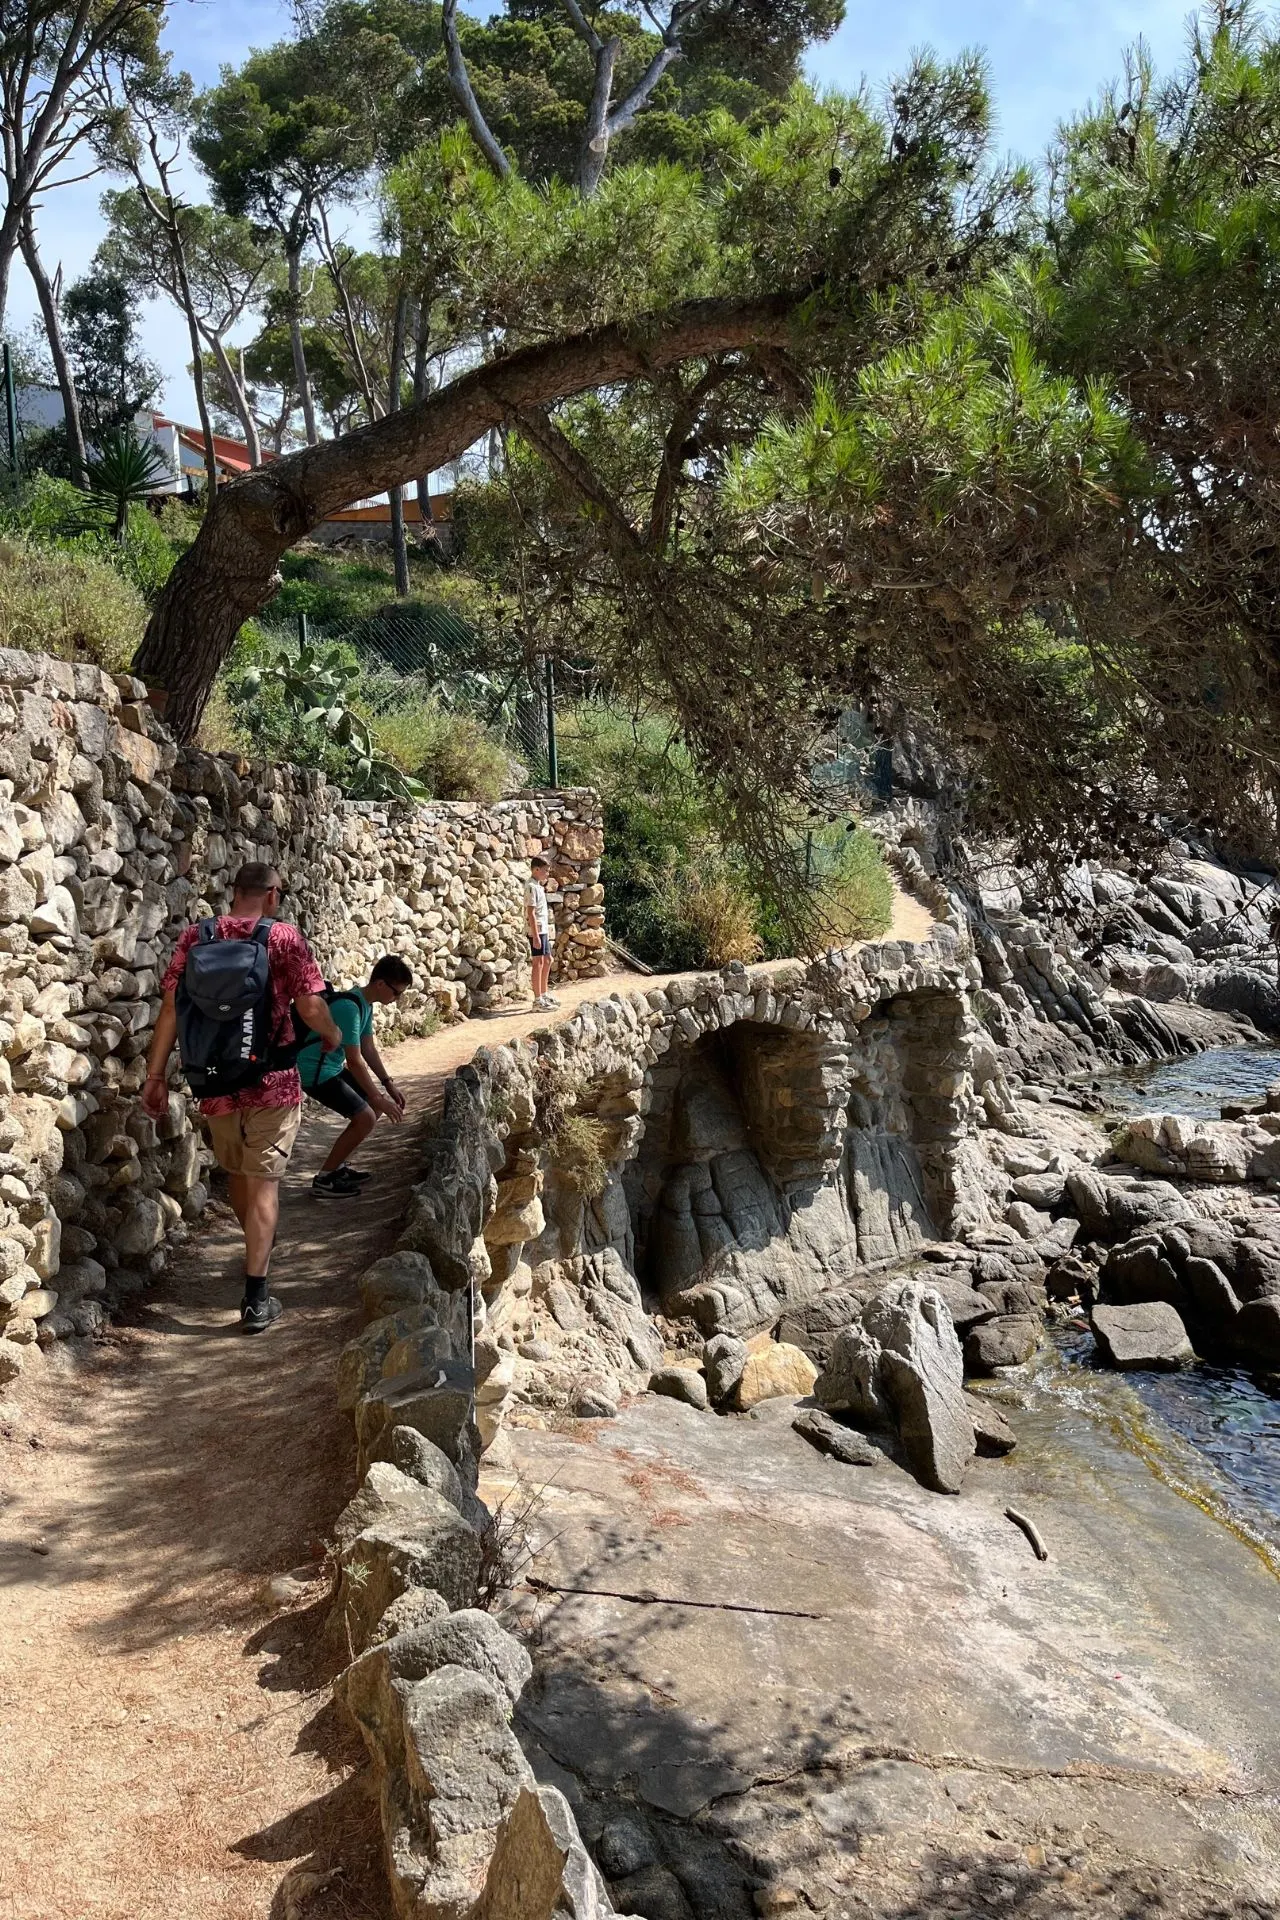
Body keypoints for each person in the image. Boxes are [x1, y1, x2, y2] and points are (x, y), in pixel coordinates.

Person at [143, 863, 342, 1335]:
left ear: (233, 892)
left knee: (238, 1174)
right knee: (264, 1183)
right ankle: (256, 1297)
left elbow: (172, 1007)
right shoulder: (283, 937)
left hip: (215, 1083)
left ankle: (256, 1236)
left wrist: (155, 1074)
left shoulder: (196, 936)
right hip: (273, 1083)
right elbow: (310, 1004)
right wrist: (332, 1034)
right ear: (273, 895)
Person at [297, 956, 412, 1199]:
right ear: (380, 984)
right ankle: (324, 1180)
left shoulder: (364, 1004)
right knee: (367, 1117)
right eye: (396, 992)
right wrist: (377, 1097)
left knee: (371, 1110)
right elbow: (355, 1060)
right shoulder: (350, 1007)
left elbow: (368, 1049)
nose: (397, 999)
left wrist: (387, 1084)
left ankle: (337, 1168)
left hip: (330, 1067)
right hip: (315, 1071)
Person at [525, 855, 559, 1012]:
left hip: (543, 929)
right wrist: (535, 935)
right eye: (545, 871)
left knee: (547, 960)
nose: (548, 874)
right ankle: (537, 1000)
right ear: (536, 869)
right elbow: (531, 913)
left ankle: (544, 993)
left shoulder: (538, 886)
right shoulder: (531, 887)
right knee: (538, 962)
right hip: (536, 930)